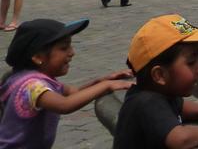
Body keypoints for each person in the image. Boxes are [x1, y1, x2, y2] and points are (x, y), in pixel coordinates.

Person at [113, 14, 198, 148]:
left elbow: (182, 106)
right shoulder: (146, 102)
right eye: (191, 62)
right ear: (159, 75)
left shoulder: (159, 94)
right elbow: (180, 139)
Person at [0, 18, 132, 148]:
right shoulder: (32, 86)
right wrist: (106, 85)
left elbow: (74, 93)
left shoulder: (36, 78)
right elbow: (65, 104)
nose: (72, 53)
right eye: (64, 48)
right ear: (38, 57)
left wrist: (102, 81)